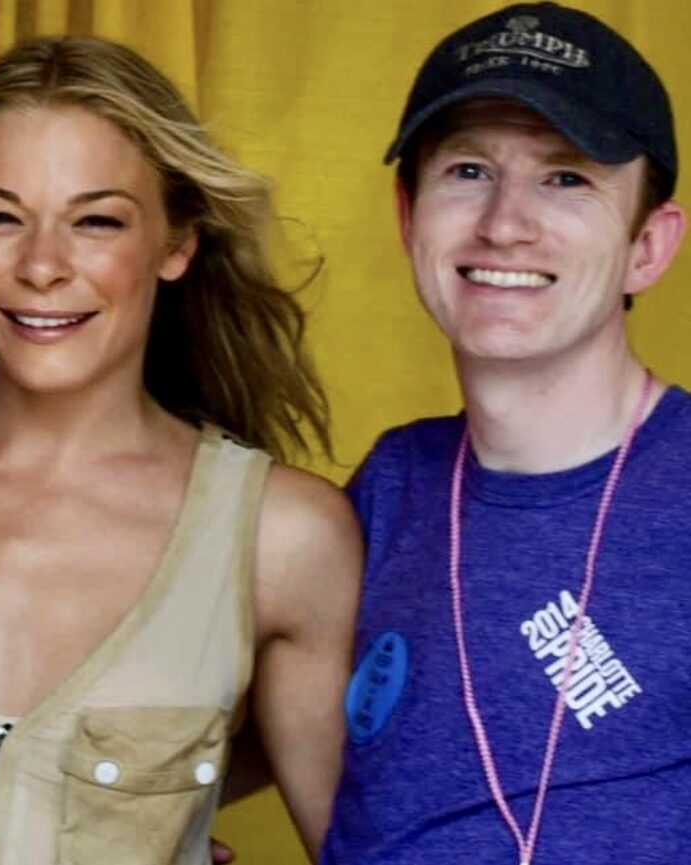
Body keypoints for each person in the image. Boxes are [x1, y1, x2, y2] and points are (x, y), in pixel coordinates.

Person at [0, 36, 360, 865]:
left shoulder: (281, 539)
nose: (42, 264)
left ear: (175, 243)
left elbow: (377, 843)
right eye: (0, 216)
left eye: (97, 221)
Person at [323, 3, 689, 863]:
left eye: (566, 178)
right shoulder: (387, 486)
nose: (503, 224)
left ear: (647, 245)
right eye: (467, 170)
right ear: (407, 215)